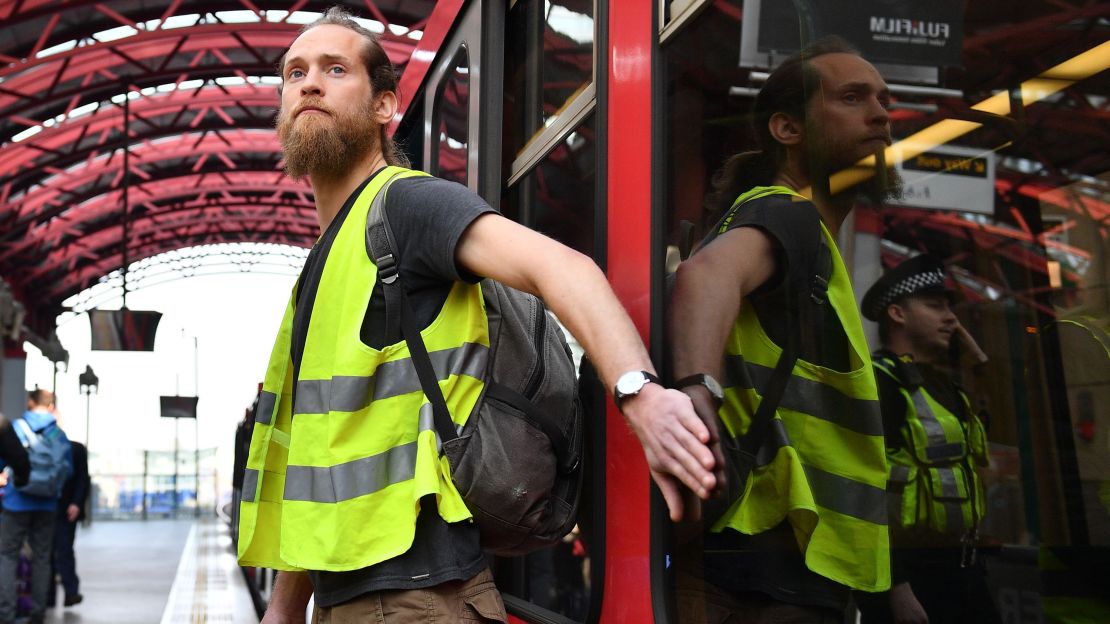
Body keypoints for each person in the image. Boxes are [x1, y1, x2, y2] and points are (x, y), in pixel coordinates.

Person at [237, 8, 717, 623]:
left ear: (385, 107)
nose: (308, 83)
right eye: (294, 72)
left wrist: (639, 391)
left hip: (417, 600)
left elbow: (564, 268)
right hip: (354, 601)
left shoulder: (405, 205)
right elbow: (319, 457)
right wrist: (285, 608)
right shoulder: (325, 266)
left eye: (335, 69)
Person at [669, 36, 899, 622]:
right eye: (852, 97)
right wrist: (697, 394)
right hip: (766, 565)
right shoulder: (786, 214)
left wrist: (891, 587)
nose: (880, 114)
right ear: (787, 129)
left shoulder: (808, 239)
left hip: (799, 562)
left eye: (885, 101)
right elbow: (704, 275)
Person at [855, 255, 1000, 623]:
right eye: (935, 306)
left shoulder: (946, 386)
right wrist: (897, 589)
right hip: (912, 579)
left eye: (950, 307)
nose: (951, 317)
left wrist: (975, 357)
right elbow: (862, 492)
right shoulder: (883, 383)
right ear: (898, 314)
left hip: (964, 570)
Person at [0, 389, 72, 624]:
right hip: (47, 504)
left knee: (7, 555)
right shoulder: (58, 434)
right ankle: (38, 612)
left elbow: (3, 459)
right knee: (42, 557)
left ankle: (6, 613)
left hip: (15, 502)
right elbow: (67, 470)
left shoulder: (17, 428)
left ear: (31, 402)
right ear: (50, 405)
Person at [50, 439, 89, 609]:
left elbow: (82, 478)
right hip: (48, 508)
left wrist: (76, 503)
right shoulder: (38, 445)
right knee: (49, 553)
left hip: (64, 509)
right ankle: (49, 596)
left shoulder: (75, 449)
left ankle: (69, 593)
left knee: (62, 550)